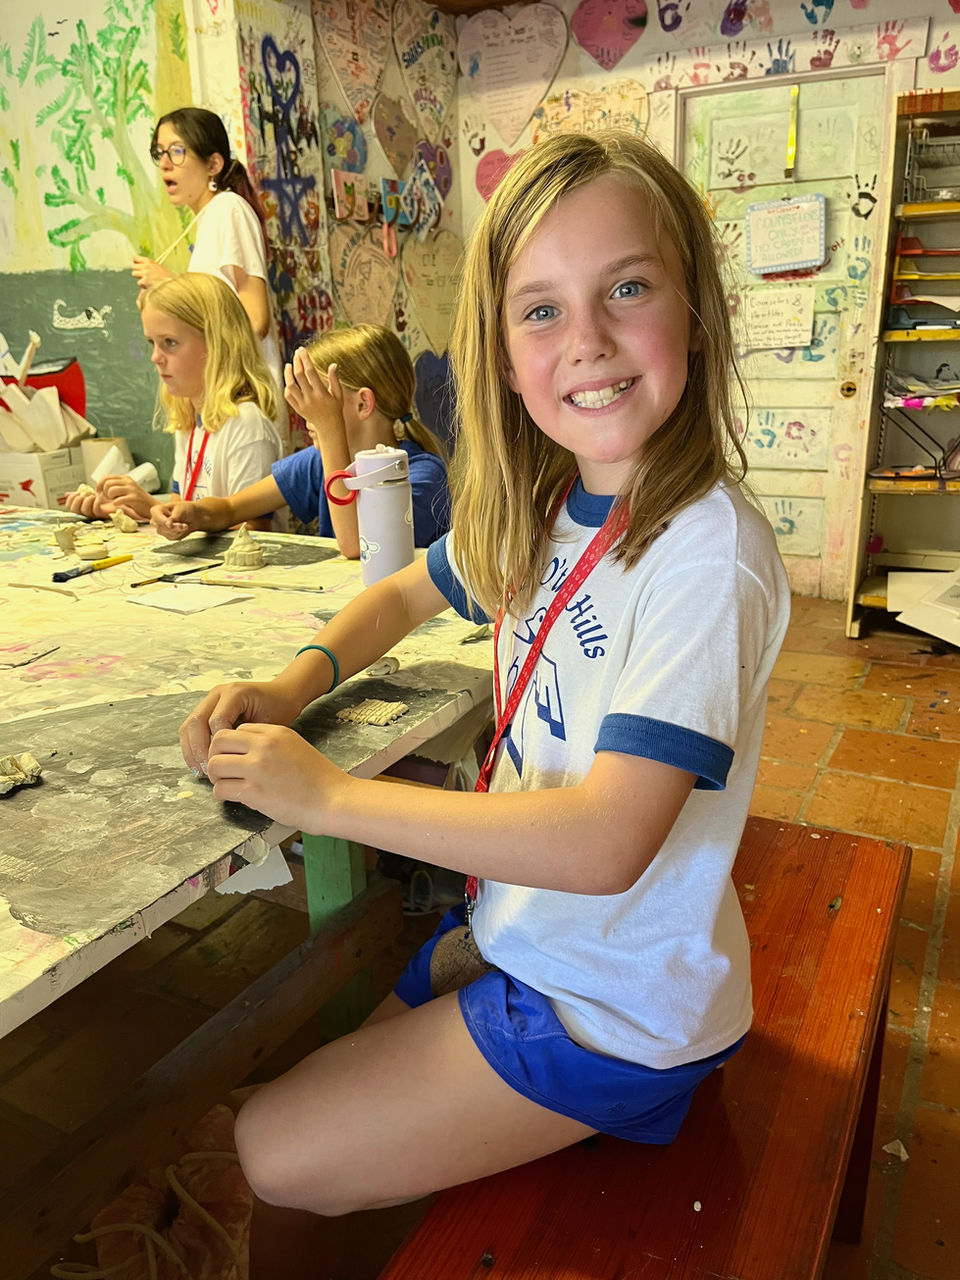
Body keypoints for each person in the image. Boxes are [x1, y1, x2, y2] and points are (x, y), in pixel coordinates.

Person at [178, 130, 790, 1264]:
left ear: (697, 314)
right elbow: (403, 590)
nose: (588, 339)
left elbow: (607, 841)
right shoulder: (550, 504)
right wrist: (290, 681)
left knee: (267, 1149)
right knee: (283, 1126)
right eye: (541, 310)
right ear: (503, 358)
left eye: (628, 288)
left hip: (616, 1008)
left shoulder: (709, 554)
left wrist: (327, 797)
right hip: (525, 936)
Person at [150, 323, 449, 558]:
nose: (308, 415)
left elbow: (357, 547)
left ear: (363, 404)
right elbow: (231, 508)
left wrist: (330, 428)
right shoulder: (319, 461)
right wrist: (194, 514)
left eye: (320, 398)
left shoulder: (422, 474)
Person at [64, 273, 281, 522]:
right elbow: (182, 510)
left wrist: (149, 505)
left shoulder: (247, 425)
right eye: (152, 343)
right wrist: (126, 509)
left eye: (170, 342)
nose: (155, 357)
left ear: (218, 344)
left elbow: (252, 532)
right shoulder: (189, 420)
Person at [130, 106, 282, 398]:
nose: (165, 164)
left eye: (177, 151)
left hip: (243, 395)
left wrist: (170, 285)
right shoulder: (210, 217)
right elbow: (210, 317)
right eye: (160, 152)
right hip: (221, 394)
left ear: (213, 164)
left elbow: (255, 321)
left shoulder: (229, 209)